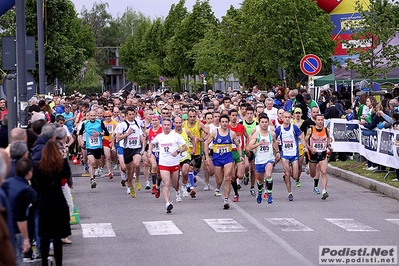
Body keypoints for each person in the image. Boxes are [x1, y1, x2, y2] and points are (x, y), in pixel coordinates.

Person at [36, 140, 71, 266]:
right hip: (58, 201)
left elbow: (36, 182)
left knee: (45, 235)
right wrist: (65, 158)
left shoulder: (39, 167)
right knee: (57, 236)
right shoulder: (60, 166)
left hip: (44, 202)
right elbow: (66, 175)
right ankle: (59, 263)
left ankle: (44, 261)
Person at [148, 118, 188, 213]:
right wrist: (150, 150)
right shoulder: (159, 136)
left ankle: (177, 191)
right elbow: (151, 143)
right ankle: (167, 203)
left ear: (171, 126)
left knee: (174, 184)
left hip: (174, 163)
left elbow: (185, 147)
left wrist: (178, 151)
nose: (166, 127)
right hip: (164, 164)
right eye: (165, 125)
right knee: (166, 183)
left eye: (168, 125)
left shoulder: (175, 136)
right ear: (162, 126)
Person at [2, 158, 37, 266]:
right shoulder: (25, 190)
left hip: (6, 224)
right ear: (29, 172)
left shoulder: (7, 183)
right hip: (16, 230)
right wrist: (26, 239)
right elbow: (21, 217)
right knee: (17, 259)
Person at [204, 114, 243, 209]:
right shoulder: (215, 132)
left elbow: (238, 145)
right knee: (219, 180)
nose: (225, 124)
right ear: (220, 123)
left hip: (228, 159)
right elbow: (206, 143)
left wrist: (240, 155)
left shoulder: (231, 133)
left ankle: (226, 199)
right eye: (223, 122)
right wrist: (207, 157)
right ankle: (218, 187)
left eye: (226, 122)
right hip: (217, 159)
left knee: (227, 177)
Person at [247, 113, 280, 204]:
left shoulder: (271, 134)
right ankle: (260, 191)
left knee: (268, 175)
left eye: (266, 122)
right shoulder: (256, 135)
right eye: (262, 122)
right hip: (259, 160)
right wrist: (258, 144)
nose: (264, 124)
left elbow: (274, 142)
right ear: (259, 123)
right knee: (260, 179)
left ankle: (269, 195)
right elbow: (249, 147)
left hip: (269, 159)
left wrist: (277, 152)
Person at [275, 112, 306, 201]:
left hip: (294, 154)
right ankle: (290, 193)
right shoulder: (279, 129)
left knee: (295, 176)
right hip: (284, 154)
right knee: (287, 173)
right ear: (282, 118)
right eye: (285, 117)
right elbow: (273, 139)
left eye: (289, 117)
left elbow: (301, 137)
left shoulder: (294, 127)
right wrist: (276, 150)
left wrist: (304, 147)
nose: (287, 119)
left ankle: (287, 175)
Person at [115, 107, 145, 197]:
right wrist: (127, 134)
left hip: (136, 148)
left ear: (135, 114)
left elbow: (141, 136)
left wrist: (143, 146)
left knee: (136, 164)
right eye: (129, 115)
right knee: (128, 170)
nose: (131, 116)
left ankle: (137, 180)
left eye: (133, 114)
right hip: (127, 148)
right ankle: (130, 185)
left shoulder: (137, 123)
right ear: (126, 115)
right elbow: (118, 137)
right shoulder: (122, 125)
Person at [78, 110, 109, 189]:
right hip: (89, 146)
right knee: (91, 162)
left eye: (93, 116)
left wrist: (99, 134)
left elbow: (107, 133)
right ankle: (92, 180)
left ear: (96, 116)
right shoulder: (85, 124)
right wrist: (81, 141)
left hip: (98, 146)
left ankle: (97, 168)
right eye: (90, 116)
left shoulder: (99, 122)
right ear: (88, 116)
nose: (92, 117)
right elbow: (80, 133)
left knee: (96, 163)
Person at [305, 114, 332, 200]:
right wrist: (310, 149)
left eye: (322, 120)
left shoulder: (326, 130)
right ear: (315, 121)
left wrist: (329, 146)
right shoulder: (311, 130)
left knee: (323, 171)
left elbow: (328, 139)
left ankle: (324, 190)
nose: (320, 122)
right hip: (313, 154)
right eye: (319, 120)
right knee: (313, 174)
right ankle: (308, 168)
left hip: (323, 153)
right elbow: (305, 141)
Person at [183, 109, 210, 186]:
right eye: (190, 116)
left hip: (197, 150)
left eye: (194, 116)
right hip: (187, 151)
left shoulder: (199, 124)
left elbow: (208, 133)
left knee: (197, 169)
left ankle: (193, 175)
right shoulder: (183, 124)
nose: (192, 118)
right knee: (190, 168)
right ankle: (191, 186)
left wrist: (203, 139)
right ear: (187, 117)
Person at [173, 117, 196, 199]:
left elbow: (193, 138)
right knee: (176, 178)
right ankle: (177, 192)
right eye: (176, 123)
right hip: (175, 157)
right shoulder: (171, 133)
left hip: (186, 155)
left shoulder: (186, 131)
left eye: (180, 122)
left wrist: (193, 148)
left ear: (182, 123)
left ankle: (184, 185)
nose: (178, 124)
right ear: (174, 123)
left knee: (185, 172)